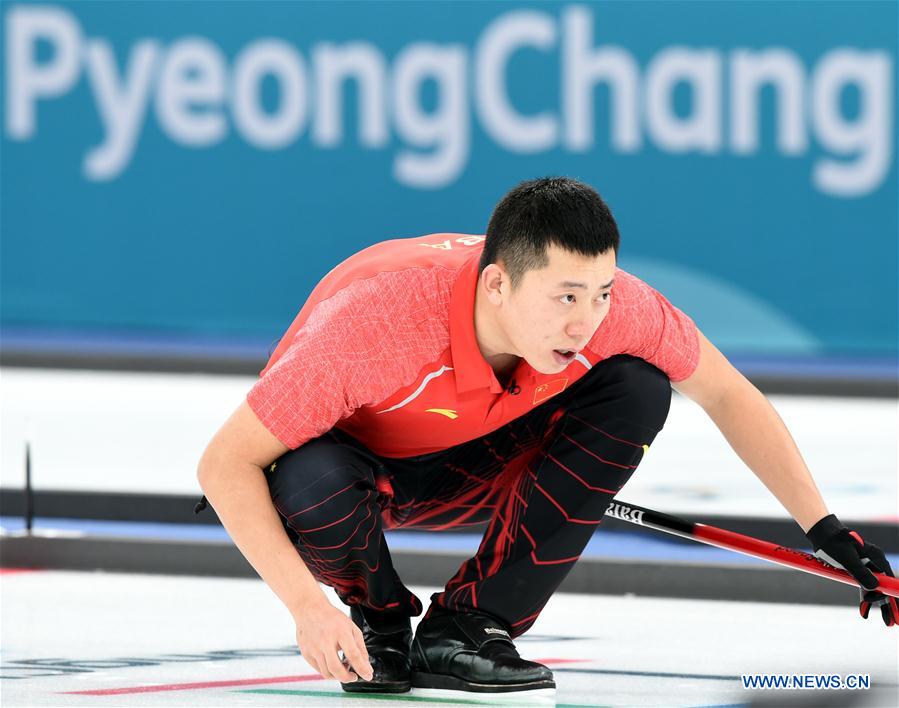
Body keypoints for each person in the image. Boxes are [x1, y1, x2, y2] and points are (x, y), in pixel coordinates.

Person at [196, 177, 897, 696]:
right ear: (496, 284)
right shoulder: (377, 322)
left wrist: (825, 528)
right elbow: (225, 465)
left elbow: (725, 391)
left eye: (599, 293)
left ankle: (470, 625)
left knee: (639, 384)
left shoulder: (617, 311)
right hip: (354, 483)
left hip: (480, 465)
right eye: (565, 297)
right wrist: (308, 610)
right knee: (303, 475)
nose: (585, 322)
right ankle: (377, 620)